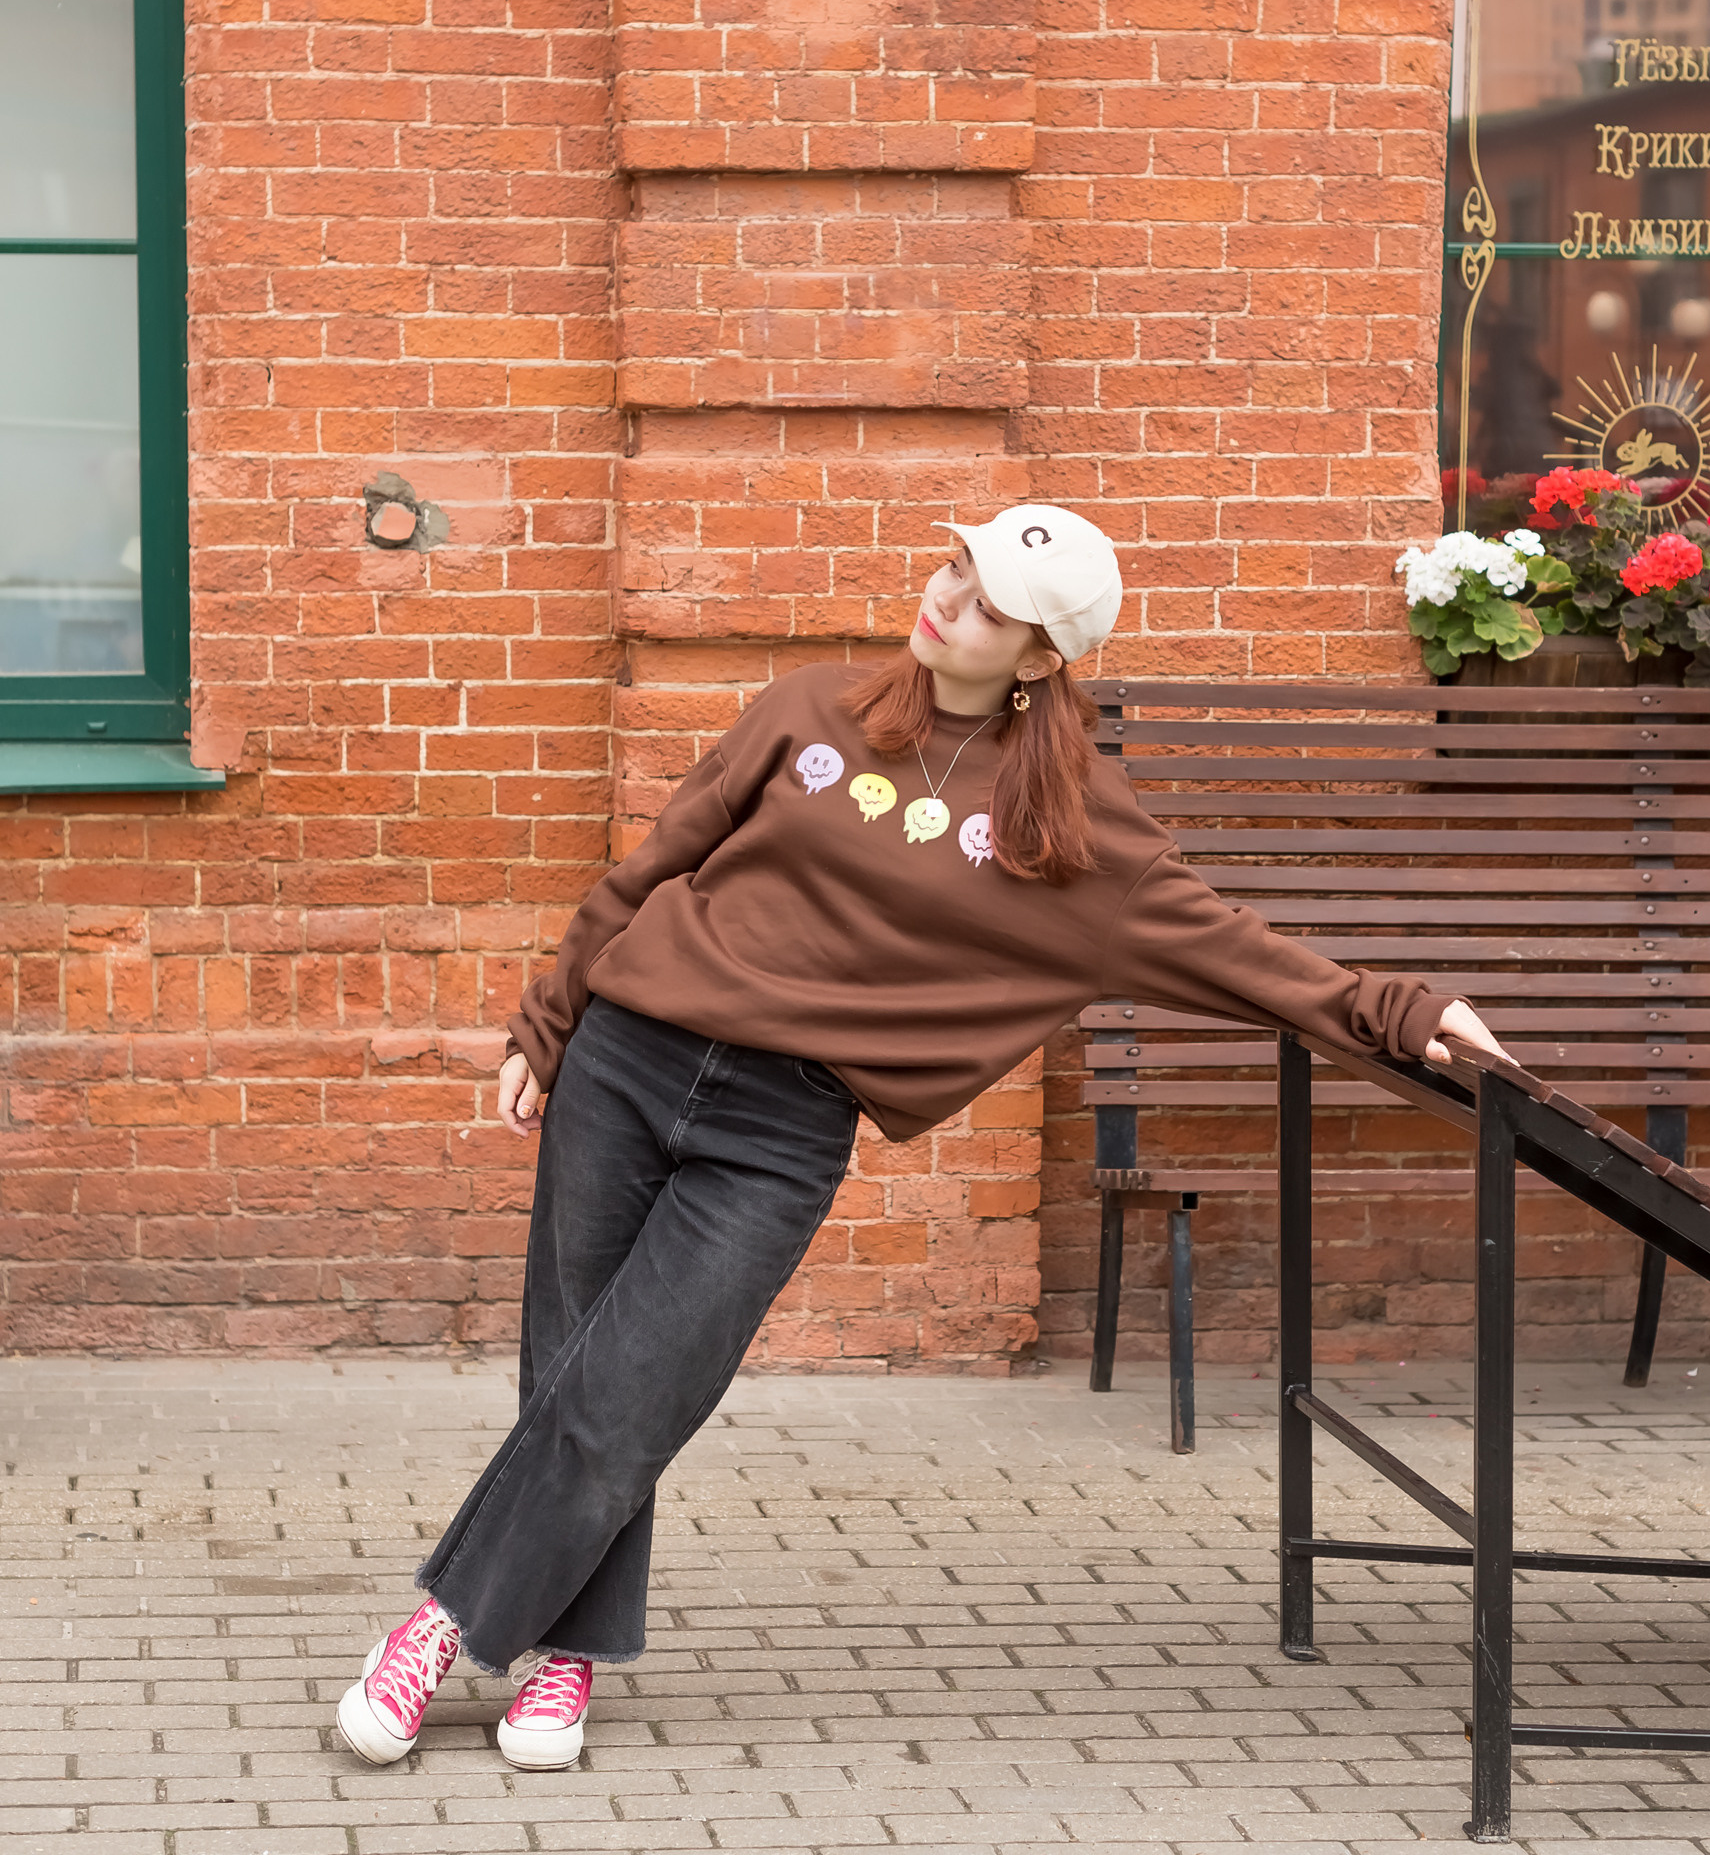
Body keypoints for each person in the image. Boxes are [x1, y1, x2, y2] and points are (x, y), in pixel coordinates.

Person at [335, 503, 1504, 1769]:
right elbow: (649, 867)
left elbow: (1234, 952)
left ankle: (443, 1624)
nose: (949, 596)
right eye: (956, 565)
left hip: (781, 1129)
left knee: (635, 1388)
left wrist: (1404, 1011)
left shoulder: (1071, 829)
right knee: (571, 1370)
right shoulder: (808, 709)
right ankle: (570, 1652)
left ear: (1042, 658)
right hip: (630, 1056)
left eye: (990, 600)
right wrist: (544, 1023)